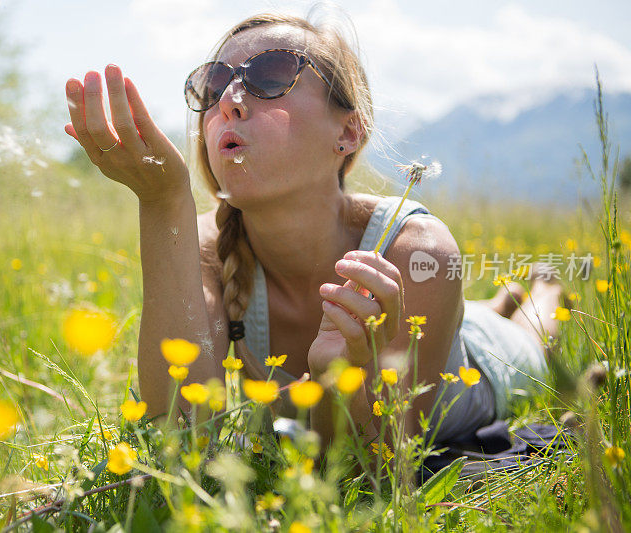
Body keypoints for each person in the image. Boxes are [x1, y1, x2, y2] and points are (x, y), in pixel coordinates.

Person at [64, 12, 559, 445]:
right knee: (477, 314)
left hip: (484, 364)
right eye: (215, 85)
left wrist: (338, 380)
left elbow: (382, 467)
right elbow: (181, 434)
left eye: (272, 75)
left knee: (532, 337)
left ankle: (543, 293)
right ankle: (496, 302)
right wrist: (161, 203)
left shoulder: (414, 250)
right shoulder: (208, 249)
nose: (231, 100)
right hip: (439, 324)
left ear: (347, 132)